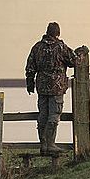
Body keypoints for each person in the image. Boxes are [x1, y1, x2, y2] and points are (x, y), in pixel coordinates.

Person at [25, 22, 78, 155]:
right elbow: (74, 61)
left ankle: (43, 144)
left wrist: (30, 84)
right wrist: (82, 53)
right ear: (58, 33)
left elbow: (30, 68)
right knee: (54, 115)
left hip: (41, 87)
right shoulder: (60, 47)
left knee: (43, 115)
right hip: (57, 87)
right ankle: (50, 144)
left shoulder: (37, 47)